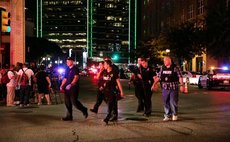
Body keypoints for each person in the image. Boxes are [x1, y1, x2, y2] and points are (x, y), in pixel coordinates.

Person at [151, 56, 184, 121]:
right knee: (165, 102)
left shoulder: (175, 67)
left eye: (165, 60)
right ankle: (167, 115)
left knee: (173, 101)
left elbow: (180, 77)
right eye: (164, 61)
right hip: (165, 87)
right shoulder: (162, 68)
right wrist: (154, 84)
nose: (164, 62)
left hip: (173, 87)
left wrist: (182, 85)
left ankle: (174, 114)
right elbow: (159, 77)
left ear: (169, 60)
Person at [60, 57, 88, 121]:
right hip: (67, 88)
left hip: (73, 87)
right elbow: (65, 78)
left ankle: (84, 109)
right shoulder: (67, 69)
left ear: (72, 62)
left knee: (74, 102)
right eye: (66, 61)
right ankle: (69, 116)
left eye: (68, 61)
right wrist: (61, 86)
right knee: (67, 102)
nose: (67, 63)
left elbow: (76, 77)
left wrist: (71, 84)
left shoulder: (75, 68)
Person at [101, 59, 124, 124]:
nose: (104, 66)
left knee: (110, 103)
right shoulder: (105, 72)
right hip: (106, 91)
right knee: (113, 103)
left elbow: (118, 82)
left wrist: (121, 91)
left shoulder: (114, 72)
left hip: (112, 90)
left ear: (108, 65)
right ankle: (114, 116)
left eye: (105, 64)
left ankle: (107, 118)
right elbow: (103, 80)